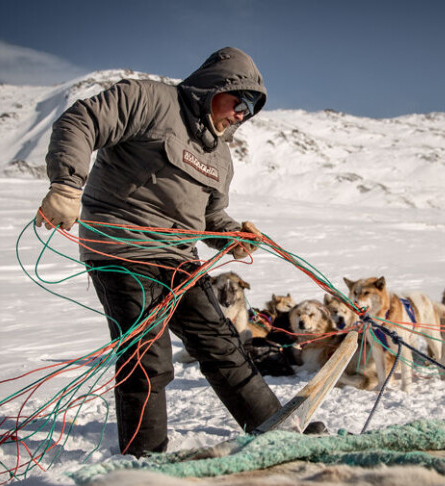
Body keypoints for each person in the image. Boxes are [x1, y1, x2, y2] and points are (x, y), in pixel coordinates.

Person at [35, 47, 281, 456]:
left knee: (222, 344)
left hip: (178, 257)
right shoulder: (149, 99)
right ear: (214, 88)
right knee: (147, 356)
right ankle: (144, 455)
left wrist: (234, 237)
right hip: (122, 249)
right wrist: (65, 184)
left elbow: (211, 217)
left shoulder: (220, 157)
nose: (242, 114)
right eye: (239, 101)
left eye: (250, 109)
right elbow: (81, 121)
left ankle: (274, 427)